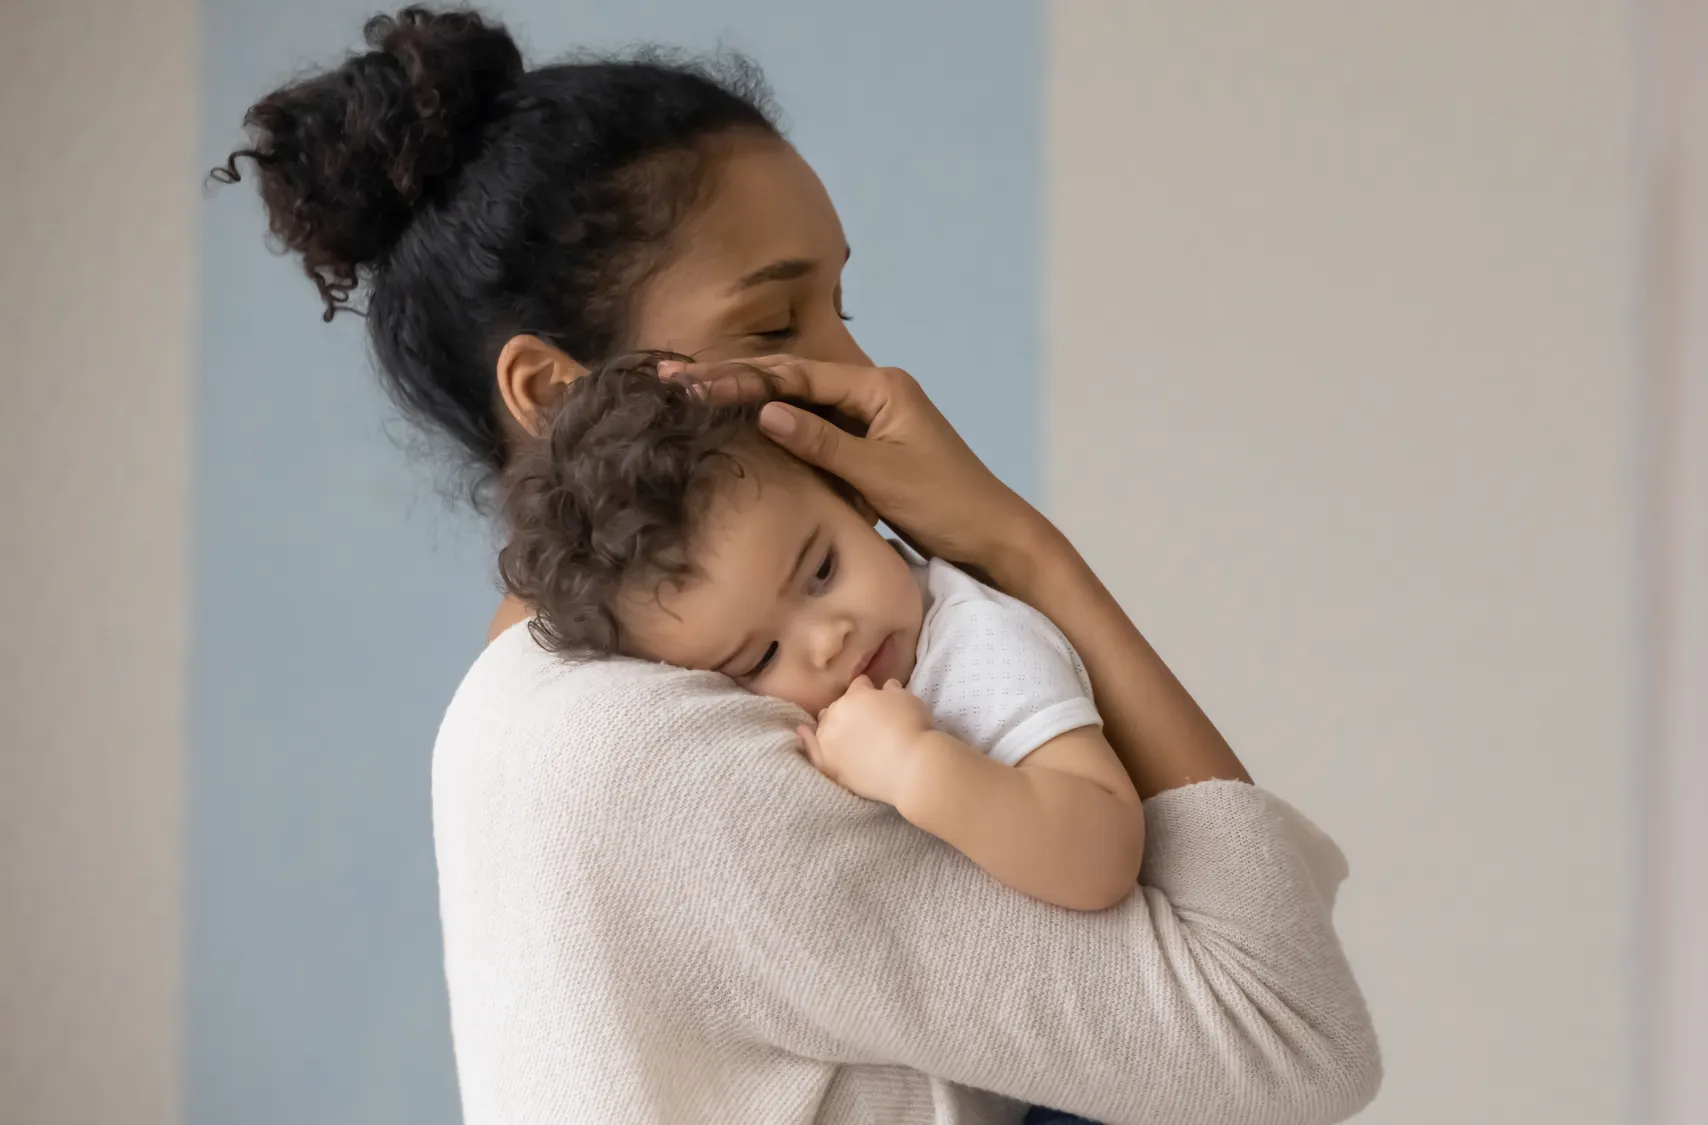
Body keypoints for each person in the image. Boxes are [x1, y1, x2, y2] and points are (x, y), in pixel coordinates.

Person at [217, 7, 1382, 1124]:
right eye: (774, 325)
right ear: (555, 394)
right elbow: (1288, 1037)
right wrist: (1018, 547)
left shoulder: (553, 707)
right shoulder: (658, 761)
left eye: (840, 306)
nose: (868, 376)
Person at [497, 356, 1146, 917]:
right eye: (762, 657)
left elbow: (1106, 852)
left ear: (854, 498)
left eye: (822, 571)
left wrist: (916, 768)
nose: (828, 640)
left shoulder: (976, 645)